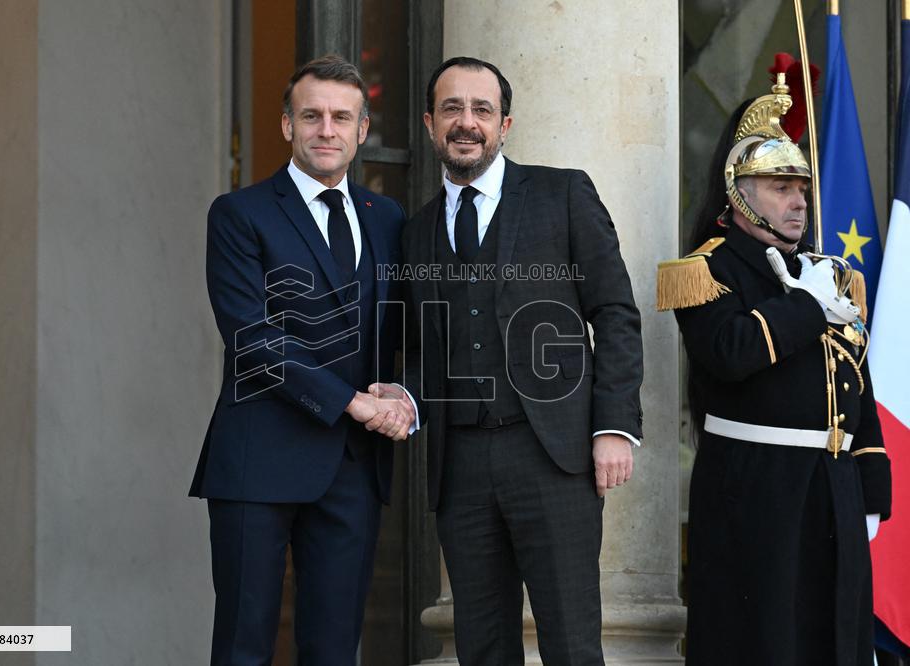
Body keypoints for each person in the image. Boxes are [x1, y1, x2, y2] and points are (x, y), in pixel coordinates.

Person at [375, 56, 644, 665]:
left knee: (572, 644)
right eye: (451, 109)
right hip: (461, 465)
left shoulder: (562, 192)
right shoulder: (415, 233)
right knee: (482, 648)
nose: (466, 122)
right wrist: (407, 398)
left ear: (506, 124)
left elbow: (615, 314)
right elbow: (426, 350)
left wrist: (613, 426)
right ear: (428, 123)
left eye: (481, 110)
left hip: (554, 456)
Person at [657, 66, 892, 665]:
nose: (799, 201)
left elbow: (854, 387)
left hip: (832, 486)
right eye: (781, 187)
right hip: (755, 486)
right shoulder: (708, 270)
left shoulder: (831, 273)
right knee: (765, 642)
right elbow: (731, 354)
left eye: (802, 188)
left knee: (835, 641)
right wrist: (806, 306)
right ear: (740, 192)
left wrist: (869, 490)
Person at [189, 55, 415, 666]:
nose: (326, 129)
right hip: (257, 456)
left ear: (362, 130)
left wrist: (403, 395)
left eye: (342, 117)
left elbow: (405, 327)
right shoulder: (239, 214)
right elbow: (251, 337)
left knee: (336, 649)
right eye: (310, 115)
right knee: (243, 645)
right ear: (287, 125)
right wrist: (354, 401)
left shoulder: (387, 218)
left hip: (352, 465)